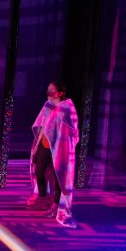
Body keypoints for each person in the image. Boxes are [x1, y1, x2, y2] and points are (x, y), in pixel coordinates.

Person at [26, 81, 79, 229]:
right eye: (48, 89)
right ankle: (43, 198)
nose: (48, 92)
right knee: (39, 171)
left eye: (52, 90)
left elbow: (72, 129)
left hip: (59, 147)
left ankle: (55, 206)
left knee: (58, 177)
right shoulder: (48, 105)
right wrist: (38, 144)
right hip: (46, 143)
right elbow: (43, 125)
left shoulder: (67, 108)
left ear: (60, 93)